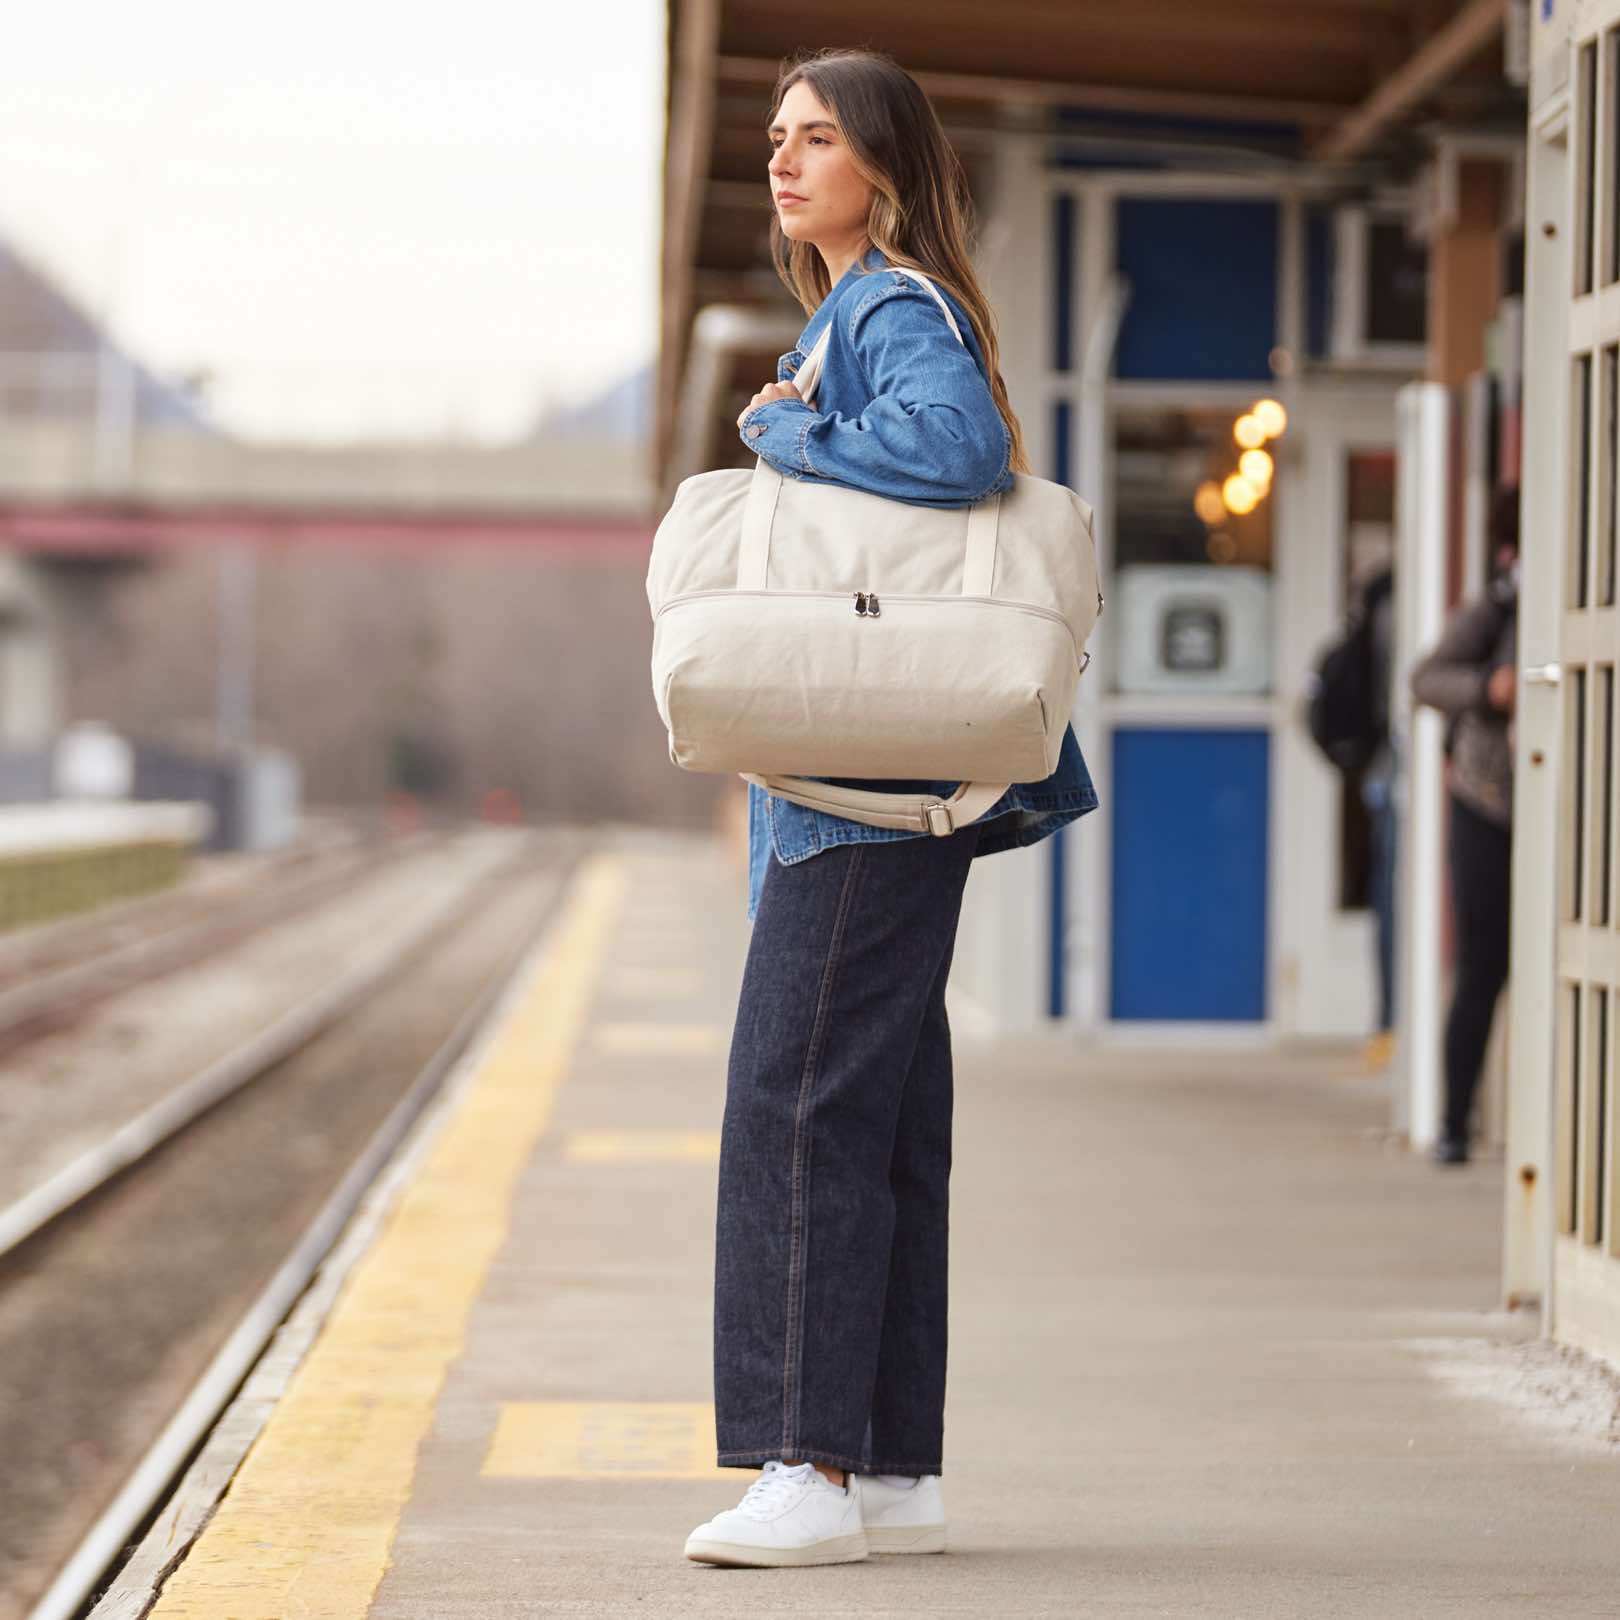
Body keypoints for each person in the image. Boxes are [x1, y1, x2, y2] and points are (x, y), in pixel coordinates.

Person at [683, 49, 1099, 1568]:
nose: (784, 160)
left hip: (860, 802)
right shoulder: (860, 304)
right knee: (887, 1125)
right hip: (881, 789)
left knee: (792, 1112)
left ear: (885, 162)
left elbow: (962, 449)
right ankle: (894, 1467)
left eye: (818, 138)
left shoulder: (885, 304)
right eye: (776, 137)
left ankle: (807, 1470)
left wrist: (787, 433)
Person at [1409, 486, 1520, 1166]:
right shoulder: (1497, 605)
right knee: (1482, 968)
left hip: (1565, 814)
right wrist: (1488, 689)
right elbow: (1426, 679)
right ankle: (1454, 1120)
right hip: (1486, 804)